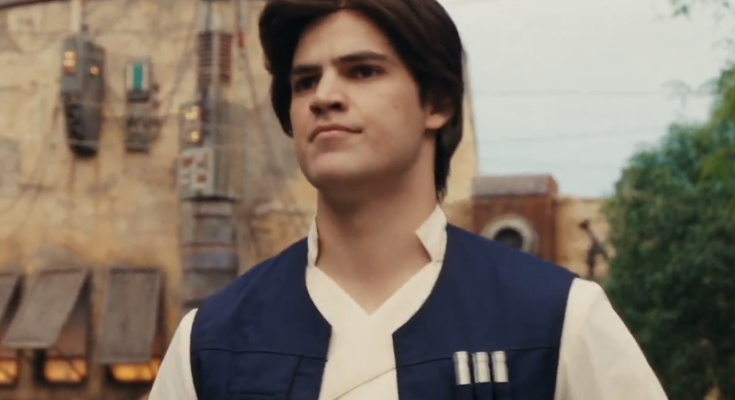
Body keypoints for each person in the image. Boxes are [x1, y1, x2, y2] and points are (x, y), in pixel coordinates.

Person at [149, 0, 670, 399]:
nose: (324, 96)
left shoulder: (558, 321)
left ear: (437, 103)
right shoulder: (211, 343)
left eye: (362, 71)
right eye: (305, 81)